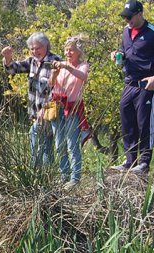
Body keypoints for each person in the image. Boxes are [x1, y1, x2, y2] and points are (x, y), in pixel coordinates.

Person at [110, 0, 154, 175]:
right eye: (124, 17)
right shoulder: (125, 31)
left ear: (140, 14)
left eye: (129, 17)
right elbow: (125, 53)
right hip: (129, 83)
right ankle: (130, 161)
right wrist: (118, 56)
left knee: (144, 123)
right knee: (127, 121)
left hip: (146, 85)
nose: (127, 20)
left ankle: (144, 162)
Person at [1, 32, 62, 167]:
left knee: (35, 136)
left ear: (46, 46)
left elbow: (57, 90)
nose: (35, 51)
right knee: (45, 145)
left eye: (38, 48)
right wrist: (7, 58)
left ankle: (36, 171)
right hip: (36, 113)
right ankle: (45, 176)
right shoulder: (32, 61)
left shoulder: (55, 61)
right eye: (32, 49)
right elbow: (13, 69)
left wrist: (44, 109)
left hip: (49, 112)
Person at [49, 36, 90, 189]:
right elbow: (51, 84)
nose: (68, 53)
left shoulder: (82, 65)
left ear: (78, 52)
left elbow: (83, 77)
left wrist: (67, 68)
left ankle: (75, 178)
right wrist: (54, 73)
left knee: (72, 143)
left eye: (71, 50)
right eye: (66, 50)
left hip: (73, 107)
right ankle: (63, 174)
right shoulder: (61, 65)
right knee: (59, 143)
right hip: (58, 106)